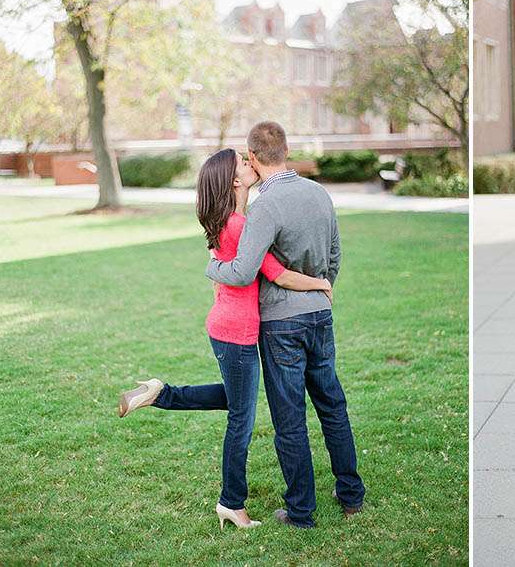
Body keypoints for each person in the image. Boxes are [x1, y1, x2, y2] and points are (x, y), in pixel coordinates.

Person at [117, 147, 332, 530]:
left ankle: (159, 393)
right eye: (244, 164)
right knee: (241, 418)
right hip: (237, 333)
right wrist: (321, 282)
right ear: (235, 180)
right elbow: (278, 274)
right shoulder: (239, 225)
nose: (251, 166)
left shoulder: (231, 220)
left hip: (226, 328)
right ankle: (232, 502)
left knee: (239, 399)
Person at [204, 121, 365, 529]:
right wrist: (322, 289)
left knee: (290, 419)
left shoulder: (264, 207)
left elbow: (243, 272)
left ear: (253, 159)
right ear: (287, 151)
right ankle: (350, 496)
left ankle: (300, 511)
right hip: (320, 315)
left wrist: (212, 265)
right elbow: (334, 256)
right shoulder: (319, 193)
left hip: (280, 324)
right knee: (332, 406)